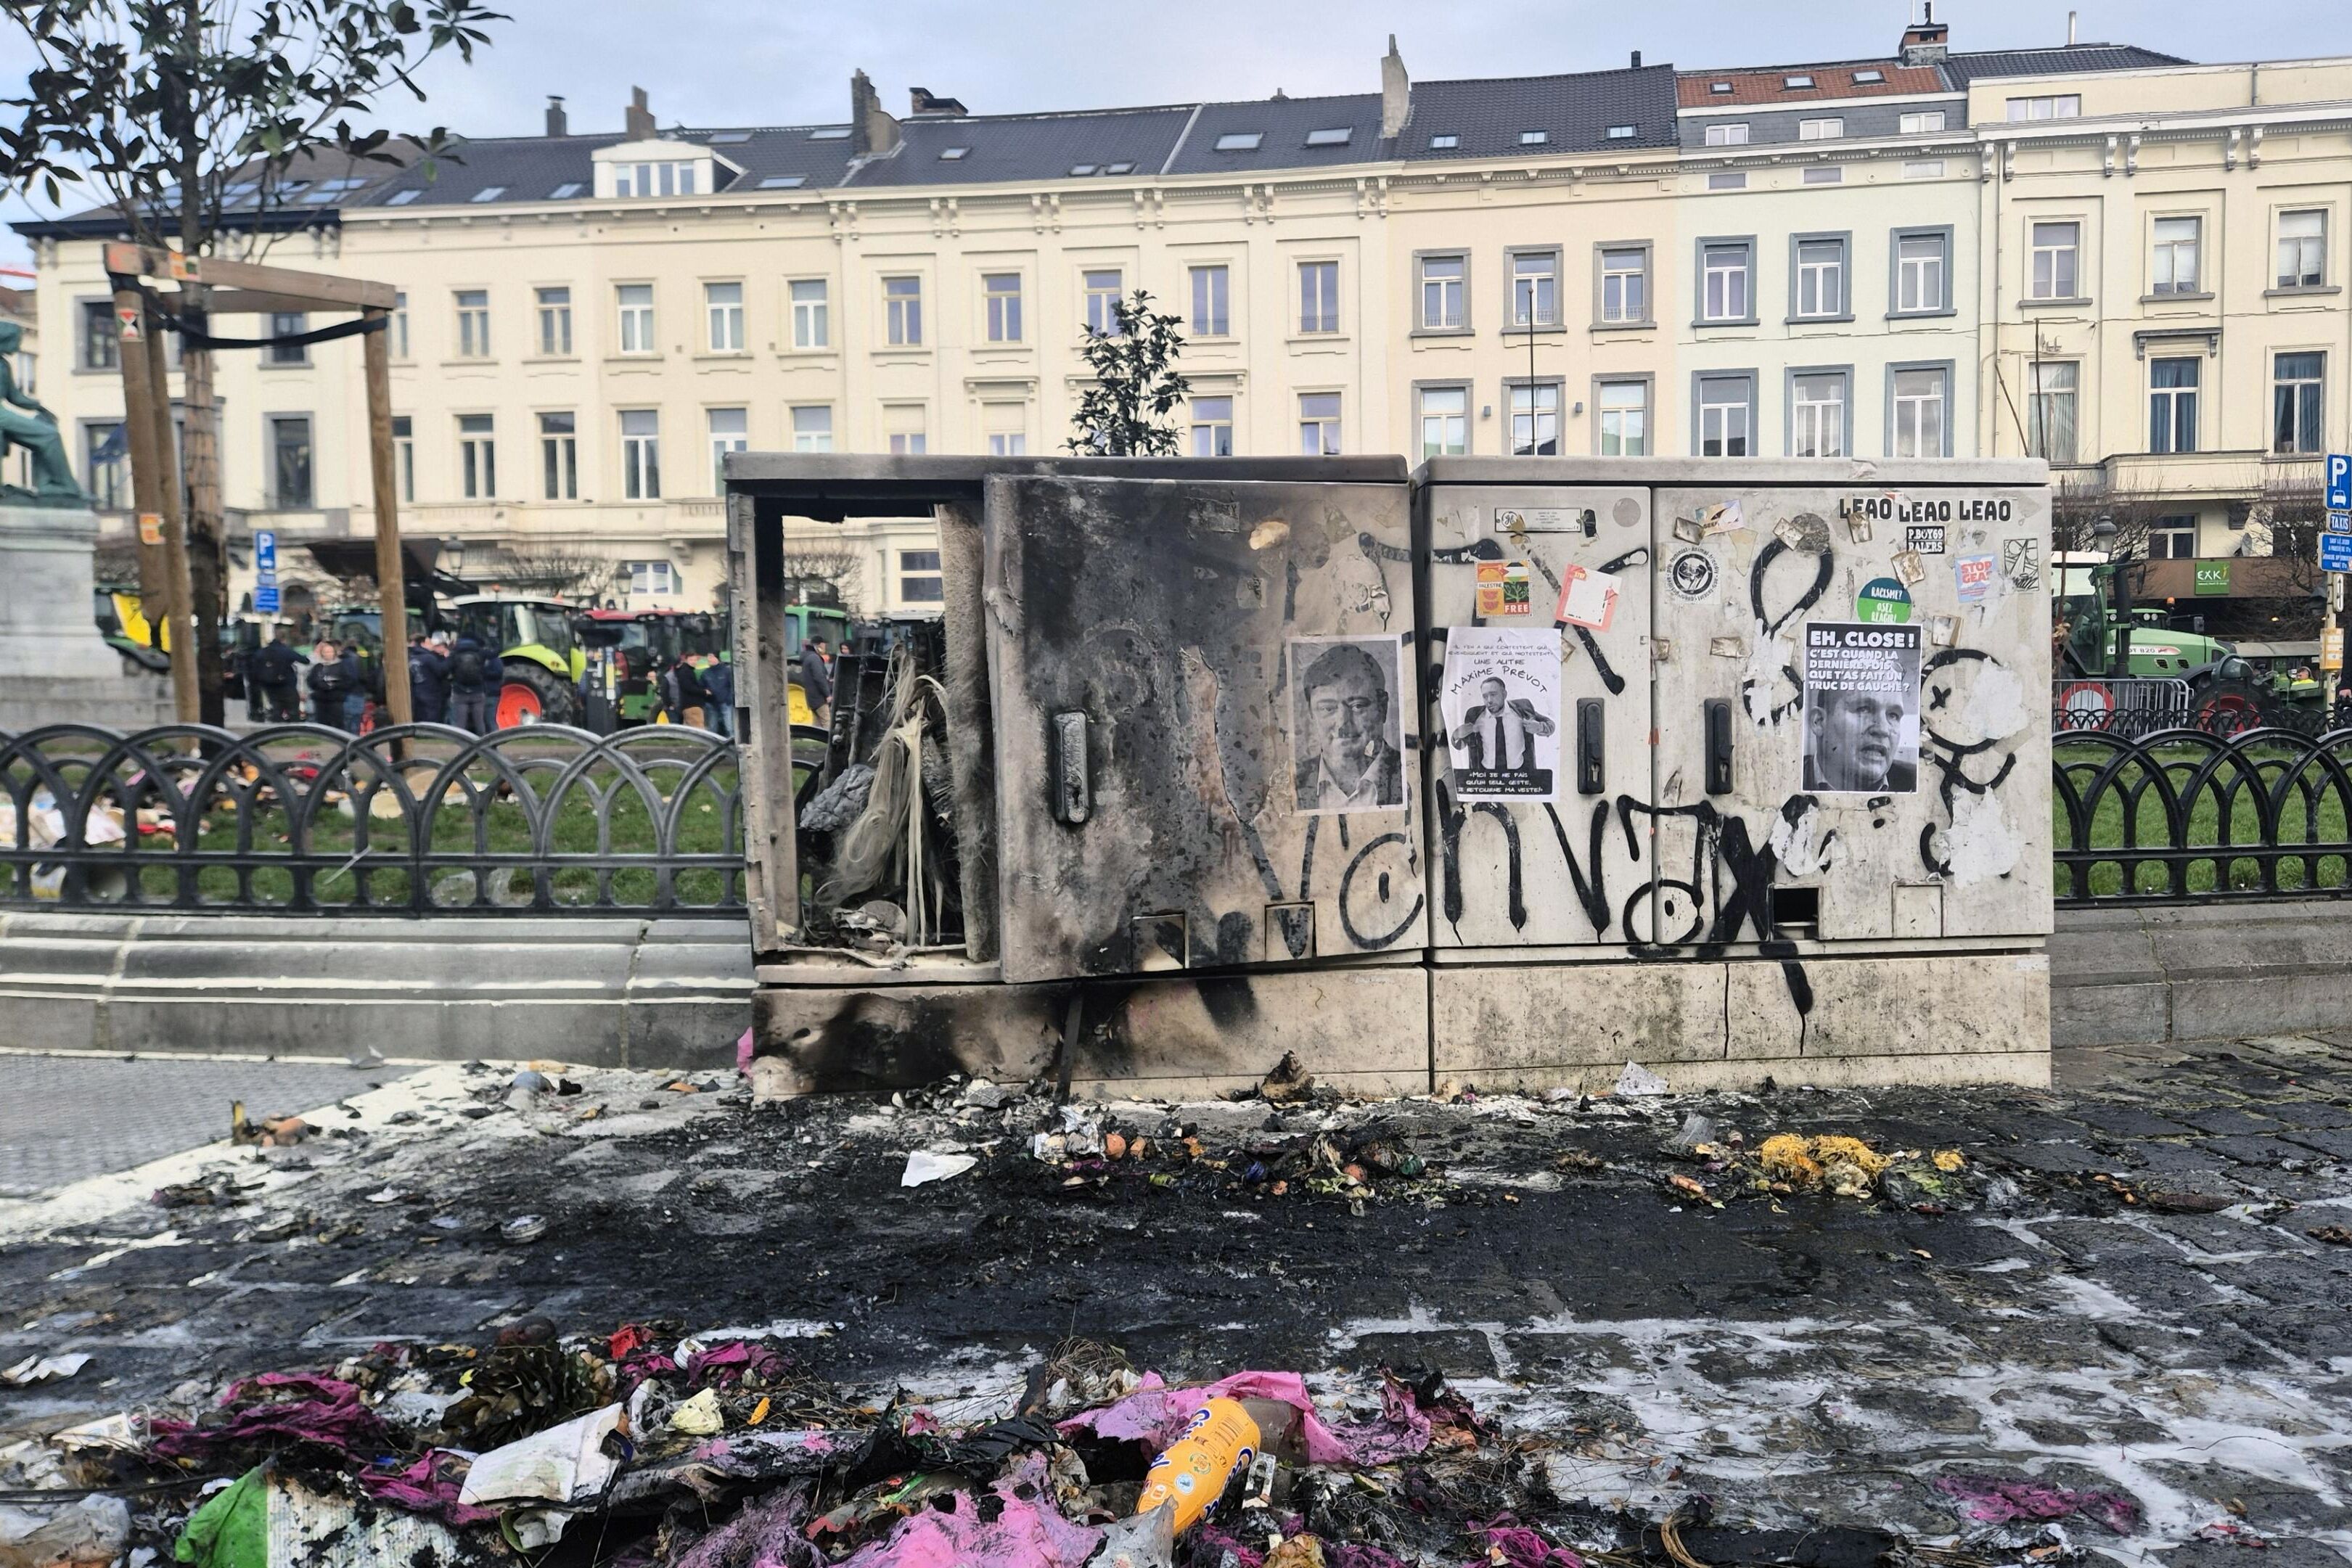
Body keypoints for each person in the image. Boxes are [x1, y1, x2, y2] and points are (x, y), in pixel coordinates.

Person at [1293, 641, 1404, 812]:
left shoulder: (1409, 771)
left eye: (1358, 706)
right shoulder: (1291, 784)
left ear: (1383, 708)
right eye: (1327, 709)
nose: (1342, 724)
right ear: (1311, 715)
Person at [1804, 687, 1915, 793]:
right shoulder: (1795, 775)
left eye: (1893, 715)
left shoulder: (1916, 781)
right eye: (1864, 709)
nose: (1883, 730)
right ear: (1819, 722)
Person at [1450, 675, 1555, 781]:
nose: (1489, 701)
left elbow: (1551, 725)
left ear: (1504, 694)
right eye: (1485, 696)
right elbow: (1460, 745)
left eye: (1493, 695)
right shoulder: (1475, 716)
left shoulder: (1522, 709)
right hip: (1486, 775)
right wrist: (1456, 735)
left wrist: (1540, 727)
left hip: (1520, 773)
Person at [447, 634, 497, 735]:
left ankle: (460, 740)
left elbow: (445, 669)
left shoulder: (455, 654)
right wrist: (494, 640)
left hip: (460, 692)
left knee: (461, 722)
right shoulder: (481, 653)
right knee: (479, 721)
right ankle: (482, 740)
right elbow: (495, 653)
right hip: (478, 691)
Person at [407, 633, 450, 727]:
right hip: (431, 695)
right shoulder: (429, 658)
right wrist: (447, 658)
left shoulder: (411, 657)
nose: (432, 645)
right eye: (429, 643)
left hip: (416, 694)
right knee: (432, 724)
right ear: (423, 644)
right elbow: (441, 671)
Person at [798, 635, 834, 727]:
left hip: (812, 697)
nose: (825, 647)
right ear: (820, 645)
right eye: (824, 645)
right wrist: (827, 694)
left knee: (817, 724)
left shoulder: (807, 657)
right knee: (827, 722)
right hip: (819, 698)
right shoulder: (814, 658)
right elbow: (819, 677)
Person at [700, 655, 735, 739]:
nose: (709, 659)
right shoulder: (705, 673)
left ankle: (732, 742)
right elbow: (701, 686)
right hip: (711, 703)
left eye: (711, 657)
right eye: (708, 658)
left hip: (725, 702)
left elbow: (732, 686)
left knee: (729, 726)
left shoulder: (727, 671)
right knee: (712, 727)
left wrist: (729, 698)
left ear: (717, 659)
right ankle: (712, 743)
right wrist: (705, 695)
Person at [673, 654, 710, 730]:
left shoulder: (686, 671)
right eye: (691, 660)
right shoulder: (686, 672)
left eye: (695, 660)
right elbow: (689, 688)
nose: (694, 662)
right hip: (693, 705)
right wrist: (704, 692)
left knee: (690, 730)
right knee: (699, 730)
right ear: (686, 660)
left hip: (688, 705)